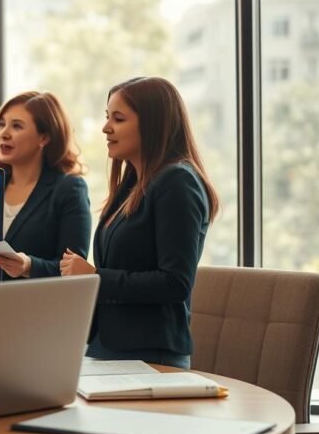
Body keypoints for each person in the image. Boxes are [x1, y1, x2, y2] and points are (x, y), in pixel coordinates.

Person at [60, 77, 219, 369]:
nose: (106, 128)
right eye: (107, 117)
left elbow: (175, 283)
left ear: (153, 124)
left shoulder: (177, 182)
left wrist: (96, 276)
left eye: (118, 119)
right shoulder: (133, 183)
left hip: (149, 354)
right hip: (109, 346)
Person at [0, 91, 90, 280]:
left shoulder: (69, 189)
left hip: (35, 298)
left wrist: (29, 266)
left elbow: (73, 269)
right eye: (1, 124)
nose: (4, 133)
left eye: (17, 126)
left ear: (44, 138)